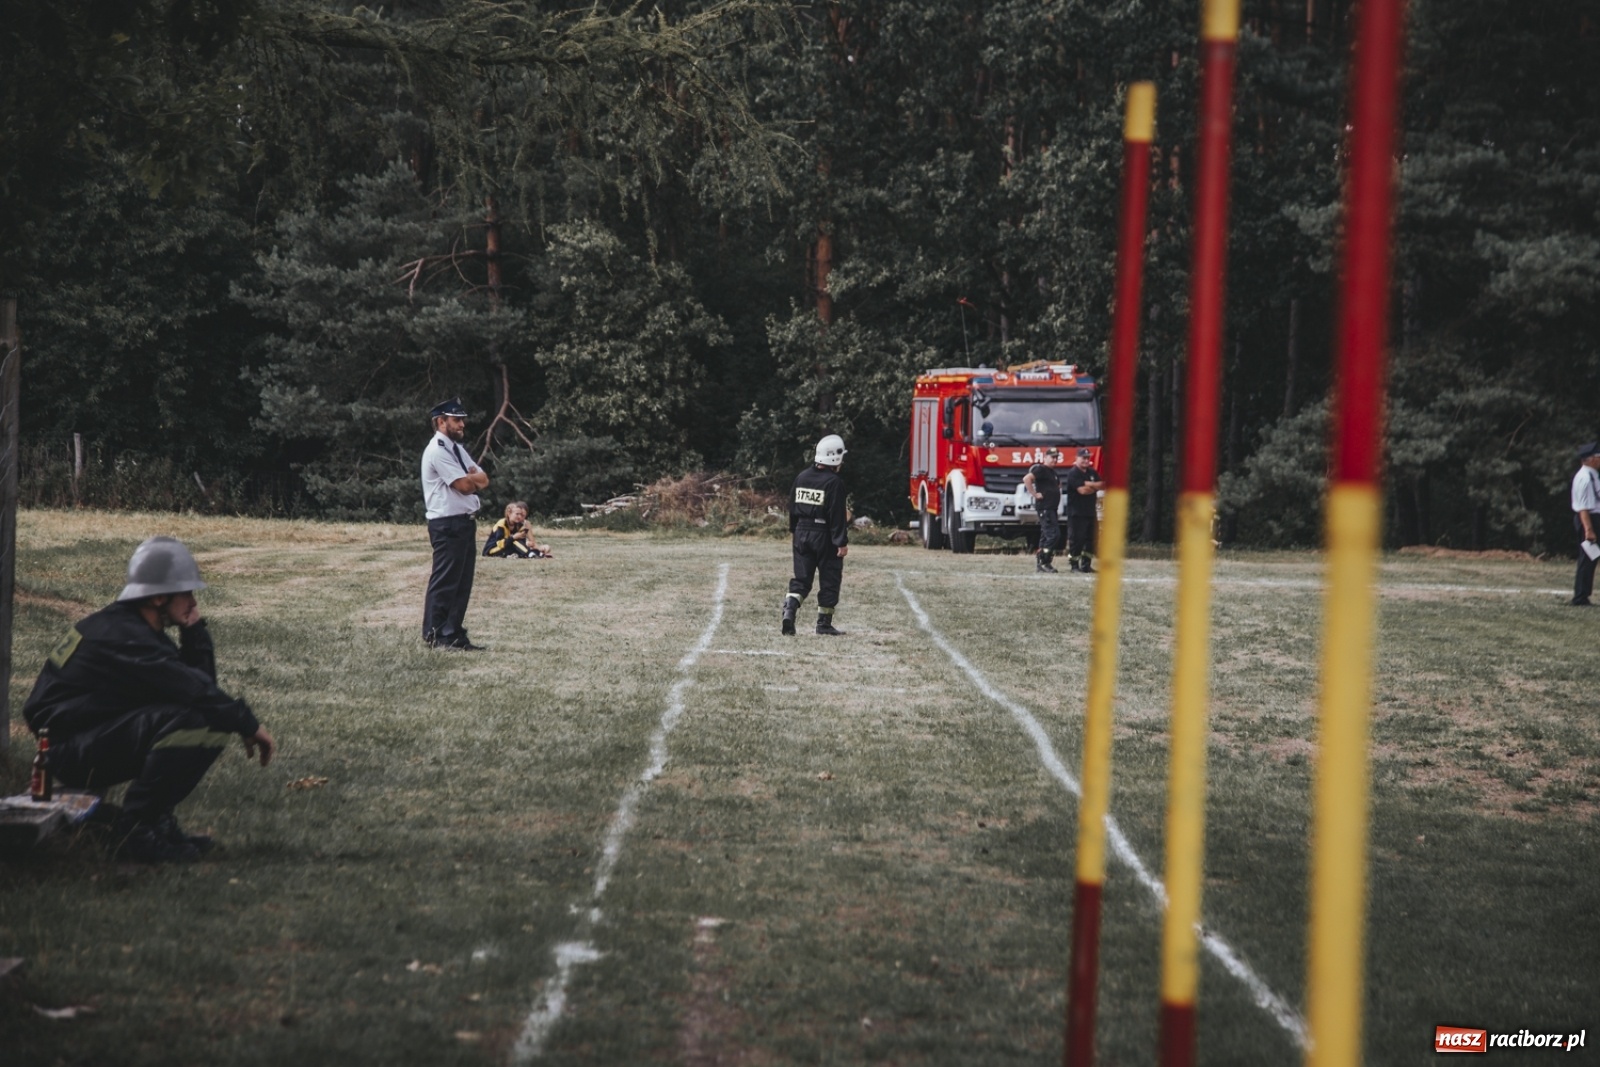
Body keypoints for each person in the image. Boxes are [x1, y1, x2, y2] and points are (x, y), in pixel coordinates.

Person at [21, 537, 276, 864]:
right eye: (186, 592)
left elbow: (197, 687)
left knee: (204, 718)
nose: (193, 600)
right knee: (196, 721)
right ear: (158, 596)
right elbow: (195, 692)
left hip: (85, 739)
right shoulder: (126, 637)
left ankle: (155, 821)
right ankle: (137, 831)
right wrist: (248, 723)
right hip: (69, 751)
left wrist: (194, 630)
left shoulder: (134, 630)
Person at [421, 396, 489, 649]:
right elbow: (463, 485)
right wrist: (474, 480)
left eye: (462, 420)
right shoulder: (438, 450)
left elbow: (484, 478)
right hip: (447, 524)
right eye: (457, 420)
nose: (462, 425)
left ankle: (454, 634)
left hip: (463, 523)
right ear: (441, 421)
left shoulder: (455, 448)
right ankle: (436, 635)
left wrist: (476, 479)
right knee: (446, 581)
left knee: (462, 583)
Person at [782, 434, 850, 636]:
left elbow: (792, 507)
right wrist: (841, 542)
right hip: (824, 535)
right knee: (830, 578)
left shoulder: (801, 477)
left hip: (801, 533)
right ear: (834, 458)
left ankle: (789, 610)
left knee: (802, 579)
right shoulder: (834, 482)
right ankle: (824, 624)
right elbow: (836, 515)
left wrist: (795, 532)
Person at [1061, 448, 1105, 573]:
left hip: (1090, 512)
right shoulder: (1073, 473)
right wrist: (1092, 486)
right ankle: (1074, 565)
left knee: (1092, 539)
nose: (1086, 460)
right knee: (1077, 540)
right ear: (1077, 458)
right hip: (1077, 513)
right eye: (1083, 458)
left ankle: (1086, 565)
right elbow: (1082, 491)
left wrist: (1088, 484)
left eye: (1087, 458)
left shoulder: (1092, 472)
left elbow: (1101, 485)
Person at [1022, 447, 1063, 573]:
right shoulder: (1041, 469)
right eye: (1052, 457)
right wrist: (1035, 494)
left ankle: (1043, 563)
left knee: (1046, 536)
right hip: (1045, 508)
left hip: (1052, 508)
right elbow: (1026, 479)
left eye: (1056, 457)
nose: (1054, 460)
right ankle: (1044, 562)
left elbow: (1058, 486)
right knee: (1053, 535)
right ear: (1045, 458)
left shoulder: (1053, 473)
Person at [1570, 441, 1600, 606]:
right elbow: (1583, 508)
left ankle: (1584, 594)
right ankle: (1580, 596)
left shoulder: (1592, 475)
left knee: (1591, 559)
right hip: (1589, 520)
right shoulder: (1585, 478)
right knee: (1587, 558)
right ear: (1591, 459)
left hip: (1594, 519)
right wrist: (1589, 530)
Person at [483, 501, 552, 559]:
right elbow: (500, 544)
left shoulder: (519, 525)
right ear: (509, 513)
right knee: (514, 542)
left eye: (522, 515)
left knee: (517, 544)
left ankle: (537, 554)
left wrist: (531, 544)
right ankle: (531, 554)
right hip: (493, 549)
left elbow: (522, 543)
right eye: (517, 514)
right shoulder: (501, 524)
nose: (519, 517)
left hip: (507, 548)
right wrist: (513, 537)